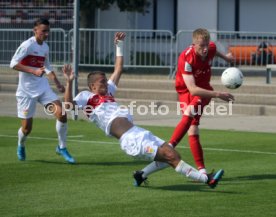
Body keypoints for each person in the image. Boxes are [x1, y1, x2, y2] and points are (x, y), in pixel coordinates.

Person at [63, 32, 224, 189]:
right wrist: (69, 82)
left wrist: (119, 45)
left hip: (137, 132)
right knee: (172, 156)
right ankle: (206, 179)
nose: (106, 83)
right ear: (92, 86)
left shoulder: (109, 92)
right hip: (130, 139)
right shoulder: (86, 97)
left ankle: (141, 174)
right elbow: (69, 106)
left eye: (105, 80)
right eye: (102, 82)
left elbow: (118, 69)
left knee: (168, 153)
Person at [133, 28, 234, 186]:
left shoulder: (210, 48)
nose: (205, 49)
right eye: (201, 46)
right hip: (187, 90)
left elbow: (214, 51)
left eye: (206, 45)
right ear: (193, 44)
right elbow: (192, 89)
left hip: (204, 91)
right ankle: (145, 170)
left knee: (192, 127)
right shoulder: (186, 59)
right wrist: (218, 94)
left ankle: (196, 168)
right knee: (190, 121)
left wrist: (227, 58)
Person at [10, 18, 75, 163]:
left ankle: (62, 147)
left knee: (62, 114)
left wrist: (57, 83)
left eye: (48, 31)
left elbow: (47, 67)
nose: (46, 34)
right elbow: (13, 63)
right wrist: (32, 70)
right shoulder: (27, 45)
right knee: (27, 129)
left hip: (43, 88)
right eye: (43, 31)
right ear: (35, 30)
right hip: (26, 92)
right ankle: (21, 144)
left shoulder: (45, 47)